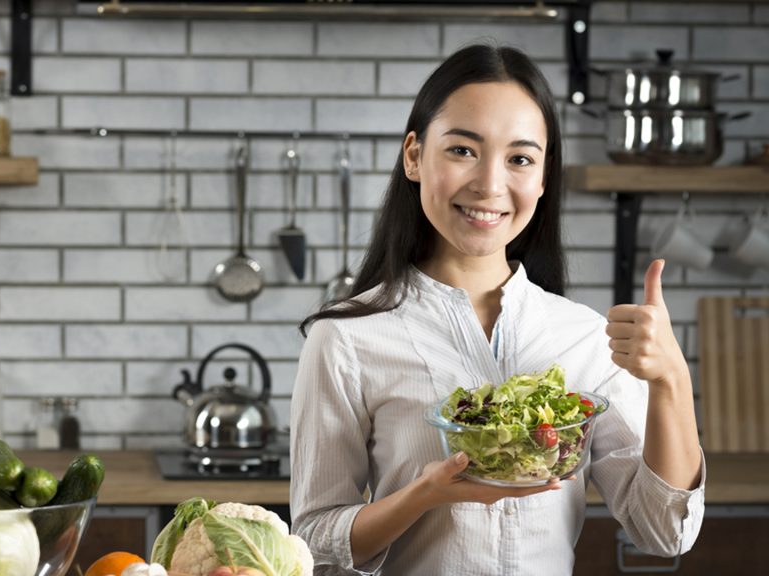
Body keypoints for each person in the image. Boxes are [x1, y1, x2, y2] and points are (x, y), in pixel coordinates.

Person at [289, 44, 705, 575]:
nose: (490, 185)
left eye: (520, 159)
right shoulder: (347, 336)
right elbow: (314, 541)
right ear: (414, 156)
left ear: (543, 178)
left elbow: (665, 532)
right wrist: (424, 494)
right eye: (463, 150)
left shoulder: (584, 336)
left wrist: (671, 378)